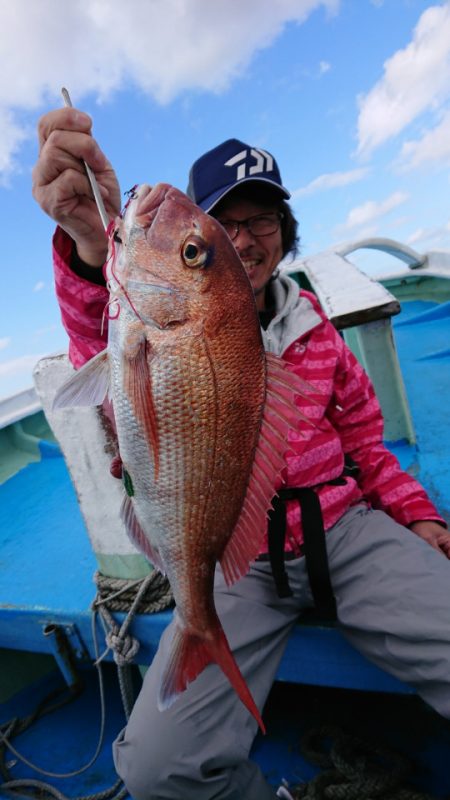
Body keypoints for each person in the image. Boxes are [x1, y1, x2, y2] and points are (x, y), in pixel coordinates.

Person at [32, 109, 450, 800]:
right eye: (223, 227)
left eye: (265, 220)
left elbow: (369, 446)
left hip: (345, 530)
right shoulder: (146, 324)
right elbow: (100, 355)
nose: (249, 237)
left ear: (285, 234)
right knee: (157, 769)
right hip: (236, 558)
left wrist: (419, 517)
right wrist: (86, 241)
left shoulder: (322, 336)